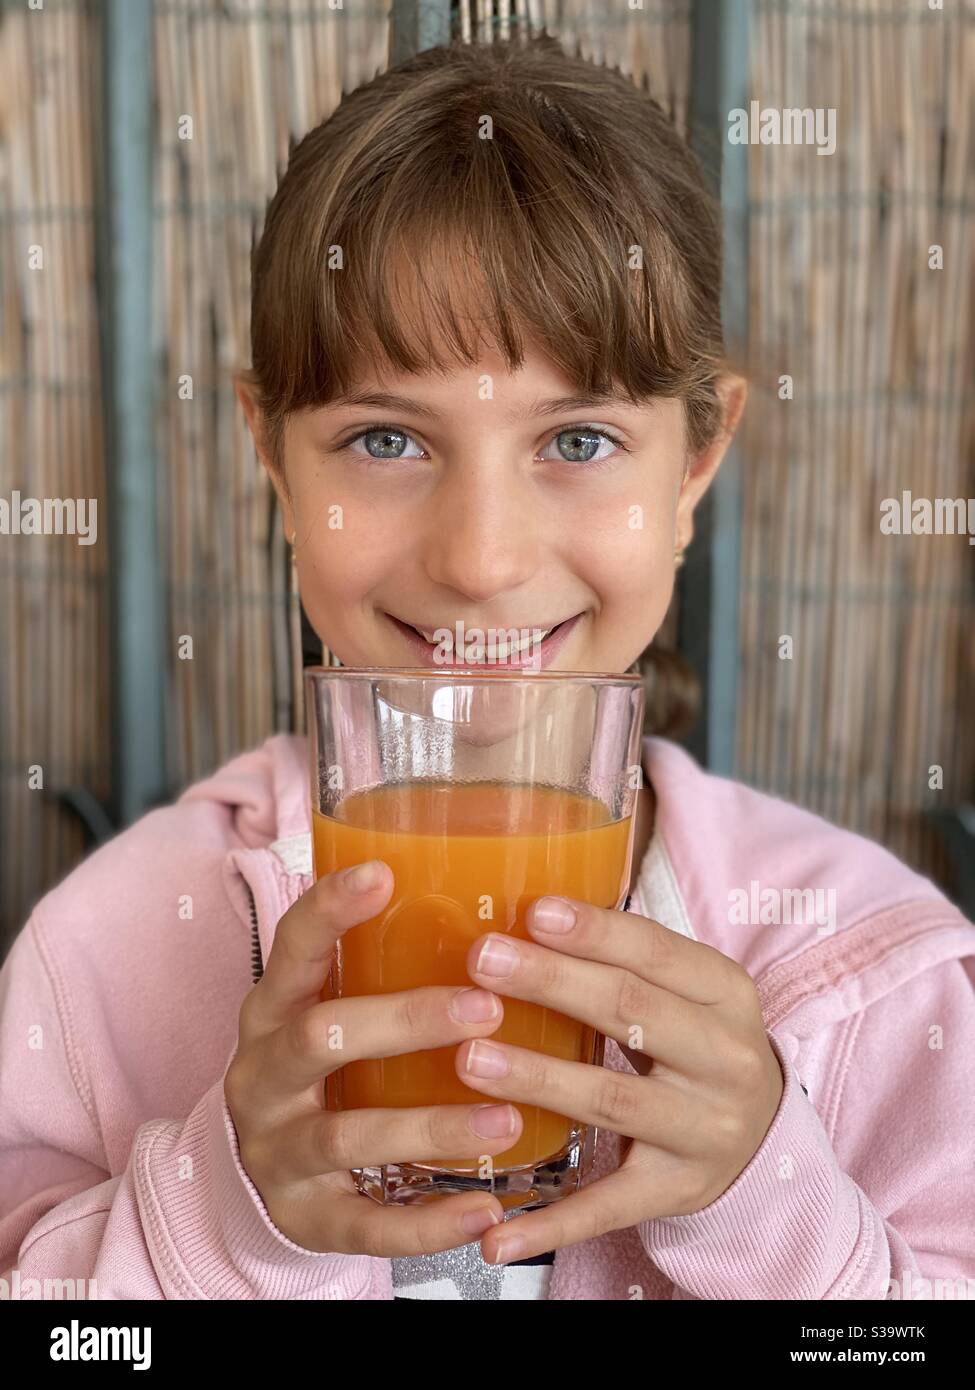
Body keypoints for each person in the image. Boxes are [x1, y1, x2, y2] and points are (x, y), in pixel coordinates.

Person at [1, 35, 972, 1302]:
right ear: (275, 461)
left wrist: (773, 1203)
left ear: (695, 464)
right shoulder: (106, 960)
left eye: (579, 435)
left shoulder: (874, 973)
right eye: (385, 437)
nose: (479, 557)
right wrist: (222, 1221)